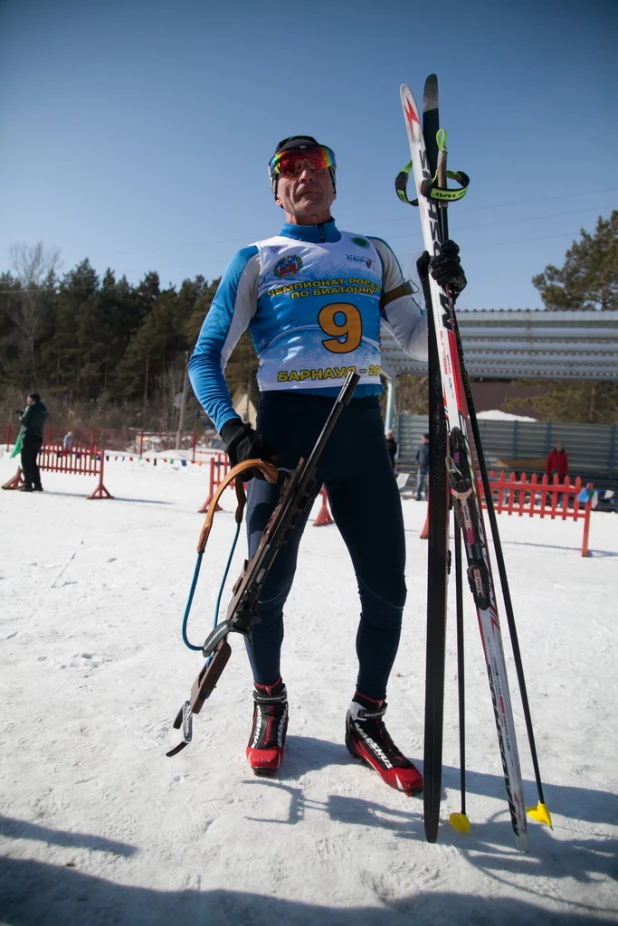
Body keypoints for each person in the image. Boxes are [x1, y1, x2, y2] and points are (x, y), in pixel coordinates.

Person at [188, 135, 466, 793]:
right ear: (277, 190)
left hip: (361, 435)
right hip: (281, 443)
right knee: (262, 594)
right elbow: (205, 357)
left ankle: (366, 717)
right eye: (290, 169)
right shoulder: (257, 259)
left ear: (335, 185)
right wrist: (234, 433)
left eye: (317, 167)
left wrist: (445, 293)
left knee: (387, 587)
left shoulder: (374, 253)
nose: (305, 176)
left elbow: (423, 346)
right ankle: (269, 701)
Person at [19, 392, 48, 492]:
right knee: (32, 462)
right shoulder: (44, 410)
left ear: (33, 399)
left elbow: (24, 421)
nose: (27, 401)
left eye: (28, 399)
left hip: (29, 436)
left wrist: (21, 415)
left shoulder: (30, 408)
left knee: (26, 461)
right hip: (38, 437)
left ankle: (27, 485)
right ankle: (37, 484)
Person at [415, 433, 430, 501]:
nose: (422, 440)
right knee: (419, 482)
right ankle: (418, 496)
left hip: (428, 468)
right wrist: (417, 463)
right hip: (421, 467)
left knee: (428, 483)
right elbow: (416, 456)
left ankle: (427, 496)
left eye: (423, 438)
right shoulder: (420, 446)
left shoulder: (430, 447)